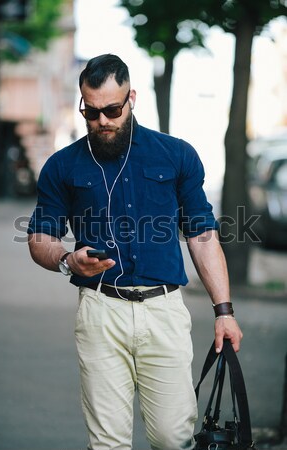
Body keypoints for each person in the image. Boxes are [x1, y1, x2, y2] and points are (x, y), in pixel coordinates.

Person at [27, 53, 243, 450]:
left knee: (173, 438)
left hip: (163, 310)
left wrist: (224, 312)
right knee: (107, 443)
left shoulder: (176, 155)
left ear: (132, 98)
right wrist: (66, 260)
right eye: (91, 113)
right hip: (99, 311)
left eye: (112, 109)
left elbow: (202, 234)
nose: (102, 121)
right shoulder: (62, 165)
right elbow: (40, 236)